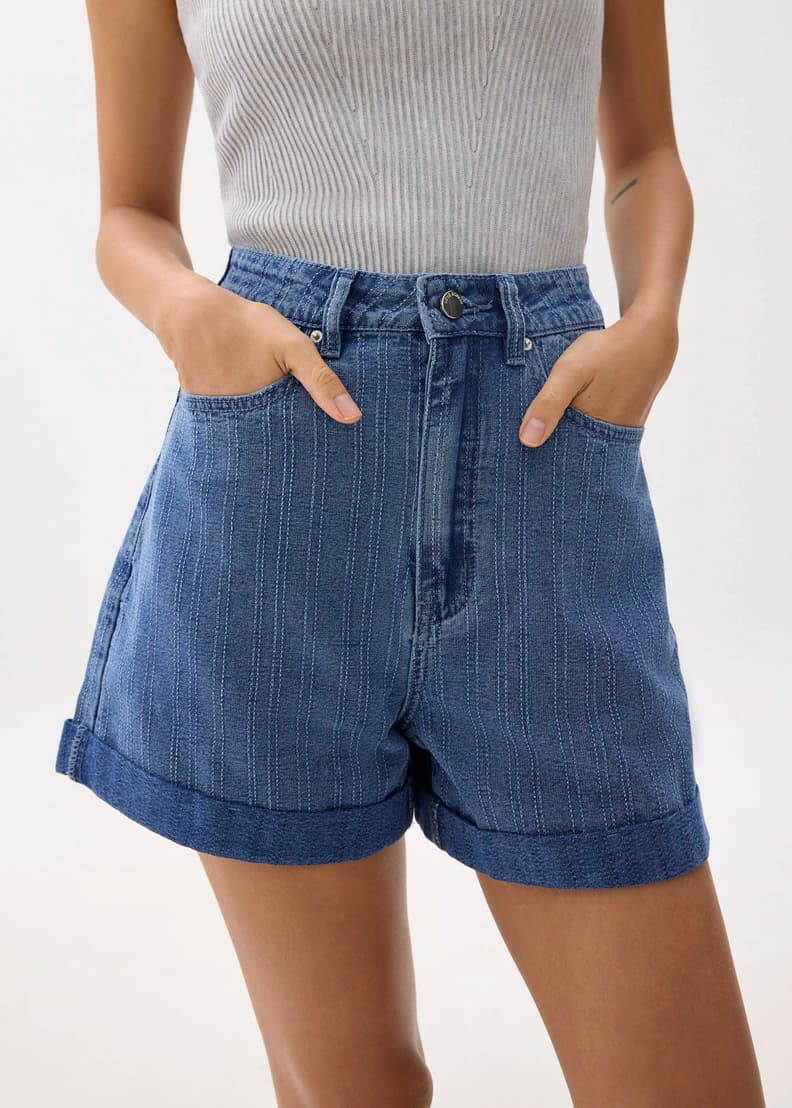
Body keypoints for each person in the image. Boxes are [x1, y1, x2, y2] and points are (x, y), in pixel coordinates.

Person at [54, 1, 765, 1104]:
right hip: (277, 481)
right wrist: (191, 314)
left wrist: (652, 323)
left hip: (549, 470)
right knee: (356, 1087)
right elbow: (128, 214)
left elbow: (645, 154)